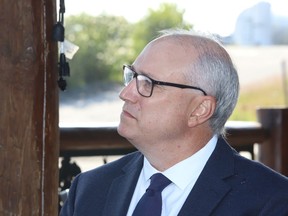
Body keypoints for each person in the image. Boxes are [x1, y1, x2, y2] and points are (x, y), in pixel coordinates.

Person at [60, 29, 288, 216]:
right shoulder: (89, 189)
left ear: (199, 110)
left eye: (148, 83)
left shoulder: (272, 202)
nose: (126, 93)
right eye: (132, 76)